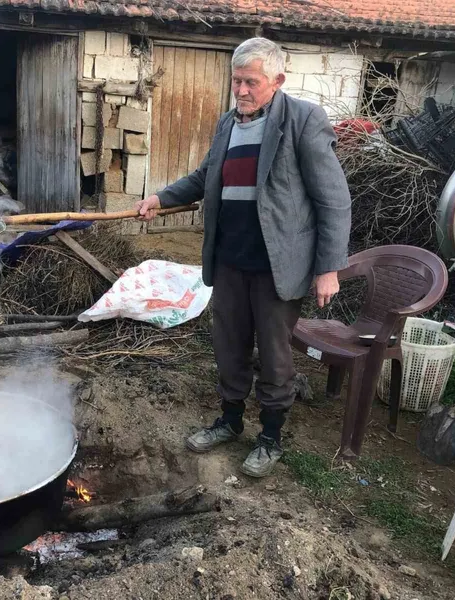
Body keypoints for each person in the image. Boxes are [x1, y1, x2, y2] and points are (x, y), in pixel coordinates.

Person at [135, 37, 352, 478]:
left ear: (277, 80)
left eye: (251, 82)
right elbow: (204, 176)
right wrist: (161, 196)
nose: (241, 90)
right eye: (236, 81)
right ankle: (230, 422)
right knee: (229, 347)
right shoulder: (226, 125)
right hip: (231, 259)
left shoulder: (303, 120)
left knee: (274, 355)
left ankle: (270, 438)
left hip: (277, 265)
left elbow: (334, 198)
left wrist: (329, 267)